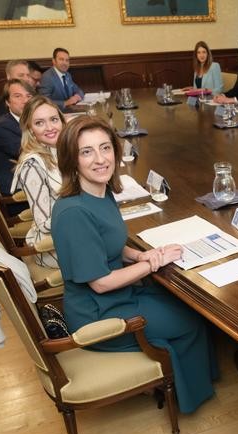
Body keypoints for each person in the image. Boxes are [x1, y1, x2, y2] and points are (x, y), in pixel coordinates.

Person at [51, 116, 217, 414]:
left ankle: (193, 379)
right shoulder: (73, 212)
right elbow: (100, 282)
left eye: (105, 148)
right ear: (71, 160)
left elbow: (112, 244)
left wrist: (139, 256)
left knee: (188, 305)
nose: (100, 159)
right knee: (190, 321)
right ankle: (190, 395)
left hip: (119, 297)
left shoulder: (99, 191)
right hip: (98, 315)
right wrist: (153, 263)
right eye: (87, 152)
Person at [10, 96, 66, 268]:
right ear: (30, 129)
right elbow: (44, 224)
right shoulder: (32, 165)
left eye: (54, 120)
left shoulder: (58, 150)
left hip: (75, 233)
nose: (50, 128)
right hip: (54, 246)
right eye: (40, 123)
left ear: (63, 122)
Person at [0, 79, 34, 215]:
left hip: (31, 179)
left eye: (29, 96)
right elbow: (32, 154)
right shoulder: (3, 127)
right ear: (7, 102)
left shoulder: (27, 121)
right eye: (18, 96)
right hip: (18, 197)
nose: (25, 101)